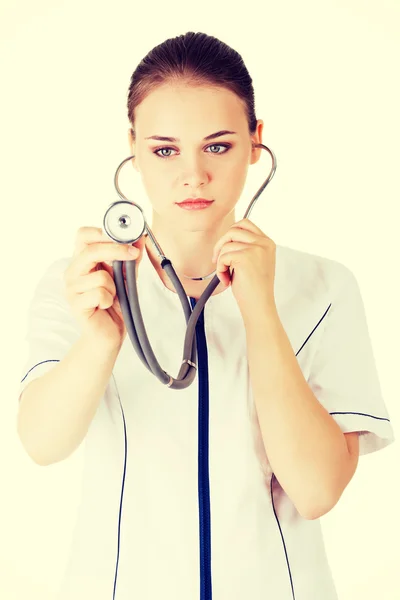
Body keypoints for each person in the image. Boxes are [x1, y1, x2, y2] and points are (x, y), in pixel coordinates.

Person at [17, 31, 395, 600]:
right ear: (134, 148)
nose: (192, 175)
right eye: (165, 149)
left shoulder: (324, 288)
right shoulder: (80, 283)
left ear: (254, 141)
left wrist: (260, 309)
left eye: (217, 146)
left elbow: (316, 490)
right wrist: (99, 340)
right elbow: (42, 445)